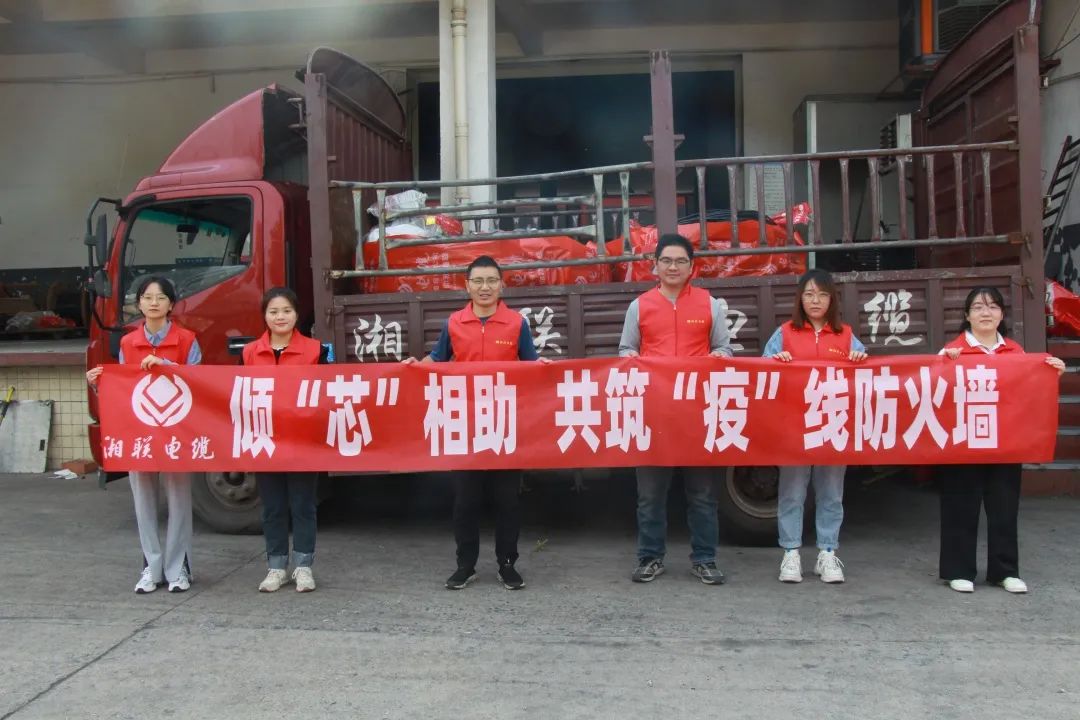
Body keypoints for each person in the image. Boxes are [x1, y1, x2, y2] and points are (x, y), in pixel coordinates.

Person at [403, 255, 550, 591]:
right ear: (467, 285)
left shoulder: (516, 324)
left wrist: (545, 367)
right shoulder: (454, 323)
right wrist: (415, 367)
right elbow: (437, 358)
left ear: (502, 285)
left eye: (492, 280)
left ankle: (507, 564)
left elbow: (530, 363)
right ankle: (465, 565)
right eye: (479, 281)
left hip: (503, 424)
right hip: (465, 424)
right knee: (465, 500)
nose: (485, 287)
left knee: (507, 500)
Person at [618, 233, 732, 585]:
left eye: (680, 261)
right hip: (654, 415)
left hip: (699, 414)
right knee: (650, 495)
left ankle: (705, 559)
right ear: (655, 265)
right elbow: (626, 350)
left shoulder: (709, 304)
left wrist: (718, 357)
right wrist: (632, 359)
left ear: (691, 267)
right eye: (666, 260)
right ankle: (650, 557)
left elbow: (725, 349)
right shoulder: (640, 306)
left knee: (703, 494)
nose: (672, 267)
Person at [938, 286, 1065, 594]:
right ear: (967, 315)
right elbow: (935, 394)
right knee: (960, 505)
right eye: (978, 307)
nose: (986, 313)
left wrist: (1053, 375)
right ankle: (959, 570)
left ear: (1002, 315)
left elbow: (1030, 394)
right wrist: (944, 365)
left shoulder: (1016, 353)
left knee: (1004, 508)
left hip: (1005, 442)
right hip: (964, 442)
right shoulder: (952, 351)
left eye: (993, 306)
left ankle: (1004, 571)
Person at [86, 276, 202, 594]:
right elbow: (124, 391)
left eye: (161, 297)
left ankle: (179, 567)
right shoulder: (128, 343)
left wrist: (166, 364)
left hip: (177, 431)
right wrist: (100, 384)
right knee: (143, 501)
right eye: (147, 297)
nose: (154, 303)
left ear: (171, 304)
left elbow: (200, 383)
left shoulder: (187, 340)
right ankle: (151, 566)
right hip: (140, 433)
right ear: (138, 304)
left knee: (179, 500)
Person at [763, 269, 867, 584]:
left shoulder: (845, 334)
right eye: (809, 294)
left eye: (822, 294)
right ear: (800, 299)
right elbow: (762, 371)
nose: (815, 300)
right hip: (795, 425)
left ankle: (827, 553)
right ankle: (791, 553)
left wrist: (859, 358)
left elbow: (866, 370)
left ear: (832, 299)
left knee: (831, 492)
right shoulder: (784, 333)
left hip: (834, 424)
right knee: (792, 492)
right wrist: (775, 361)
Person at [242, 287, 331, 594]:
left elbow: (329, 390)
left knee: (303, 505)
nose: (280, 317)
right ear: (264, 316)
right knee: (273, 507)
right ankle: (276, 567)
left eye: (286, 311)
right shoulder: (250, 352)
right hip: (265, 440)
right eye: (273, 312)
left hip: (303, 442)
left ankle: (303, 567)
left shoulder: (317, 350)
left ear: (296, 314)